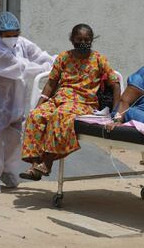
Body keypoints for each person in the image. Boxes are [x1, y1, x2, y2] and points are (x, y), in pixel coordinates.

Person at [19, 23, 121, 181]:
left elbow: (115, 84)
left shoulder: (99, 59)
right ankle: (34, 165)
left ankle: (47, 164)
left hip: (83, 103)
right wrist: (40, 104)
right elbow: (51, 83)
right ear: (72, 39)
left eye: (87, 39)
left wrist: (116, 112)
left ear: (92, 40)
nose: (83, 42)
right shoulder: (64, 57)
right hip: (60, 99)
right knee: (36, 116)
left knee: (59, 115)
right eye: (79, 39)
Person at [0, 12, 55, 194]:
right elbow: (21, 67)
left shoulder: (21, 42)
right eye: (7, 35)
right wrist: (46, 68)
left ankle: (8, 171)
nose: (11, 38)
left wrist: (54, 61)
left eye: (14, 34)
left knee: (15, 138)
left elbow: (38, 55)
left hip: (15, 97)